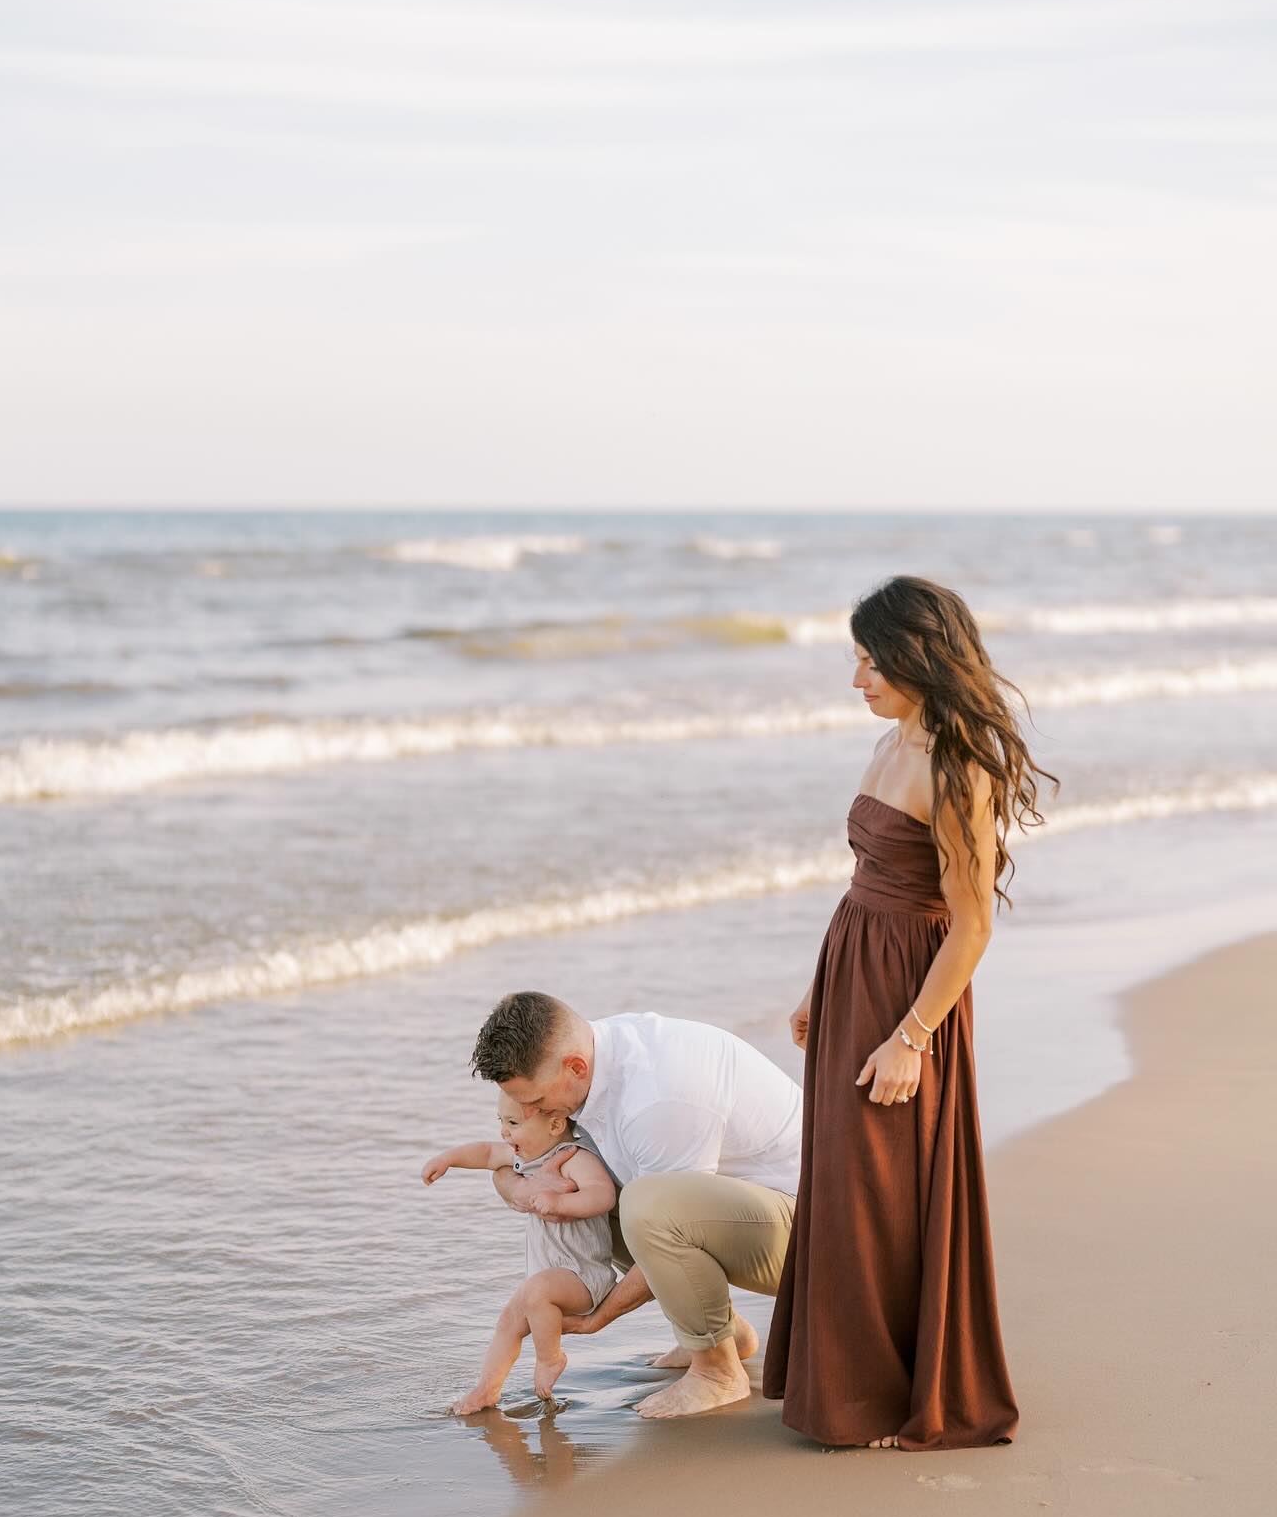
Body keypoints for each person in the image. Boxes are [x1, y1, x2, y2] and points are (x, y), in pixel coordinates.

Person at [763, 574, 1058, 1450]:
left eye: (869, 659)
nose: (858, 678)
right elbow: (867, 880)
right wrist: (822, 987)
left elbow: (970, 928)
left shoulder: (957, 769)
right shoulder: (893, 739)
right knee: (844, 1180)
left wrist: (911, 1037)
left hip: (910, 995)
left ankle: (896, 1396)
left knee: (885, 1191)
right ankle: (849, 1384)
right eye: (855, 659)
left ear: (916, 655)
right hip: (855, 969)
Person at [466, 996, 802, 1419]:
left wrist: (598, 1319)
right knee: (590, 1192)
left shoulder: (658, 1098)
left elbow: (667, 1220)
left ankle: (717, 1371)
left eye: (536, 1100)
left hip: (806, 1236)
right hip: (742, 1214)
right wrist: (519, 1188)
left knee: (646, 1203)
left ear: (575, 1068)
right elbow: (513, 1153)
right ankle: (724, 1331)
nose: (531, 1112)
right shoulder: (588, 1058)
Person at [422, 1091, 617, 1413]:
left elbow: (602, 1196)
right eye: (500, 1121)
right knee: (509, 1320)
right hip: (549, 1275)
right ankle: (487, 1389)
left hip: (583, 1275)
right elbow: (485, 1153)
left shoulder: (576, 1157)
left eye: (513, 1122)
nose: (504, 1131)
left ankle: (550, 1358)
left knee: (535, 1291)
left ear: (555, 1124)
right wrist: (447, 1159)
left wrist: (560, 1203)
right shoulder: (523, 1158)